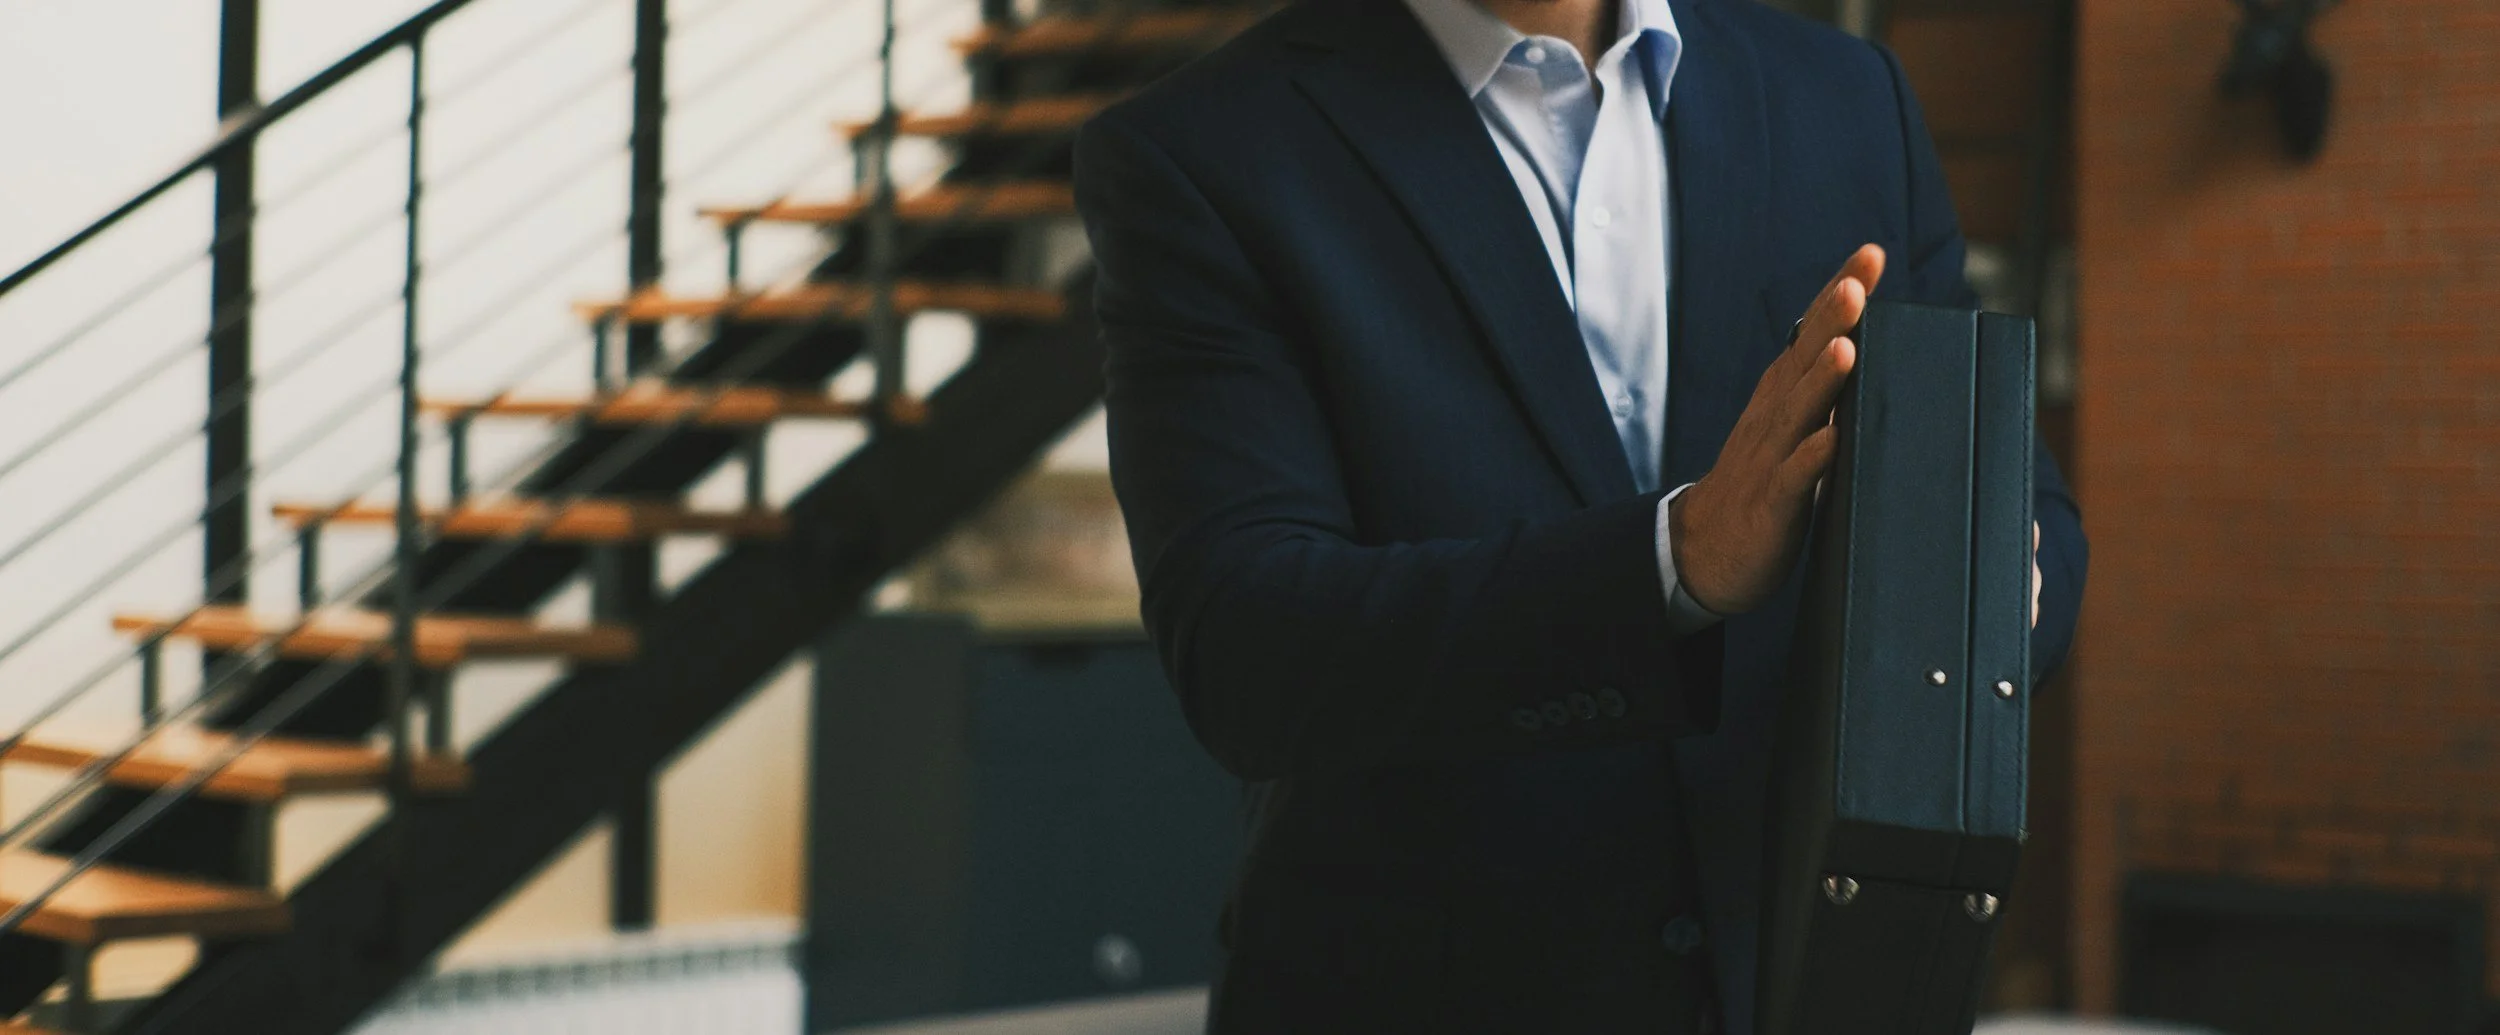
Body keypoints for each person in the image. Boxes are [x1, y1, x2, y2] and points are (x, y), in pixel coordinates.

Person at [1071, 0, 2087, 1029]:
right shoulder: (1204, 149)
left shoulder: (1846, 95)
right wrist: (1674, 561)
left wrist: (1983, 580)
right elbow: (1247, 649)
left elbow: (2015, 489)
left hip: (1805, 990)